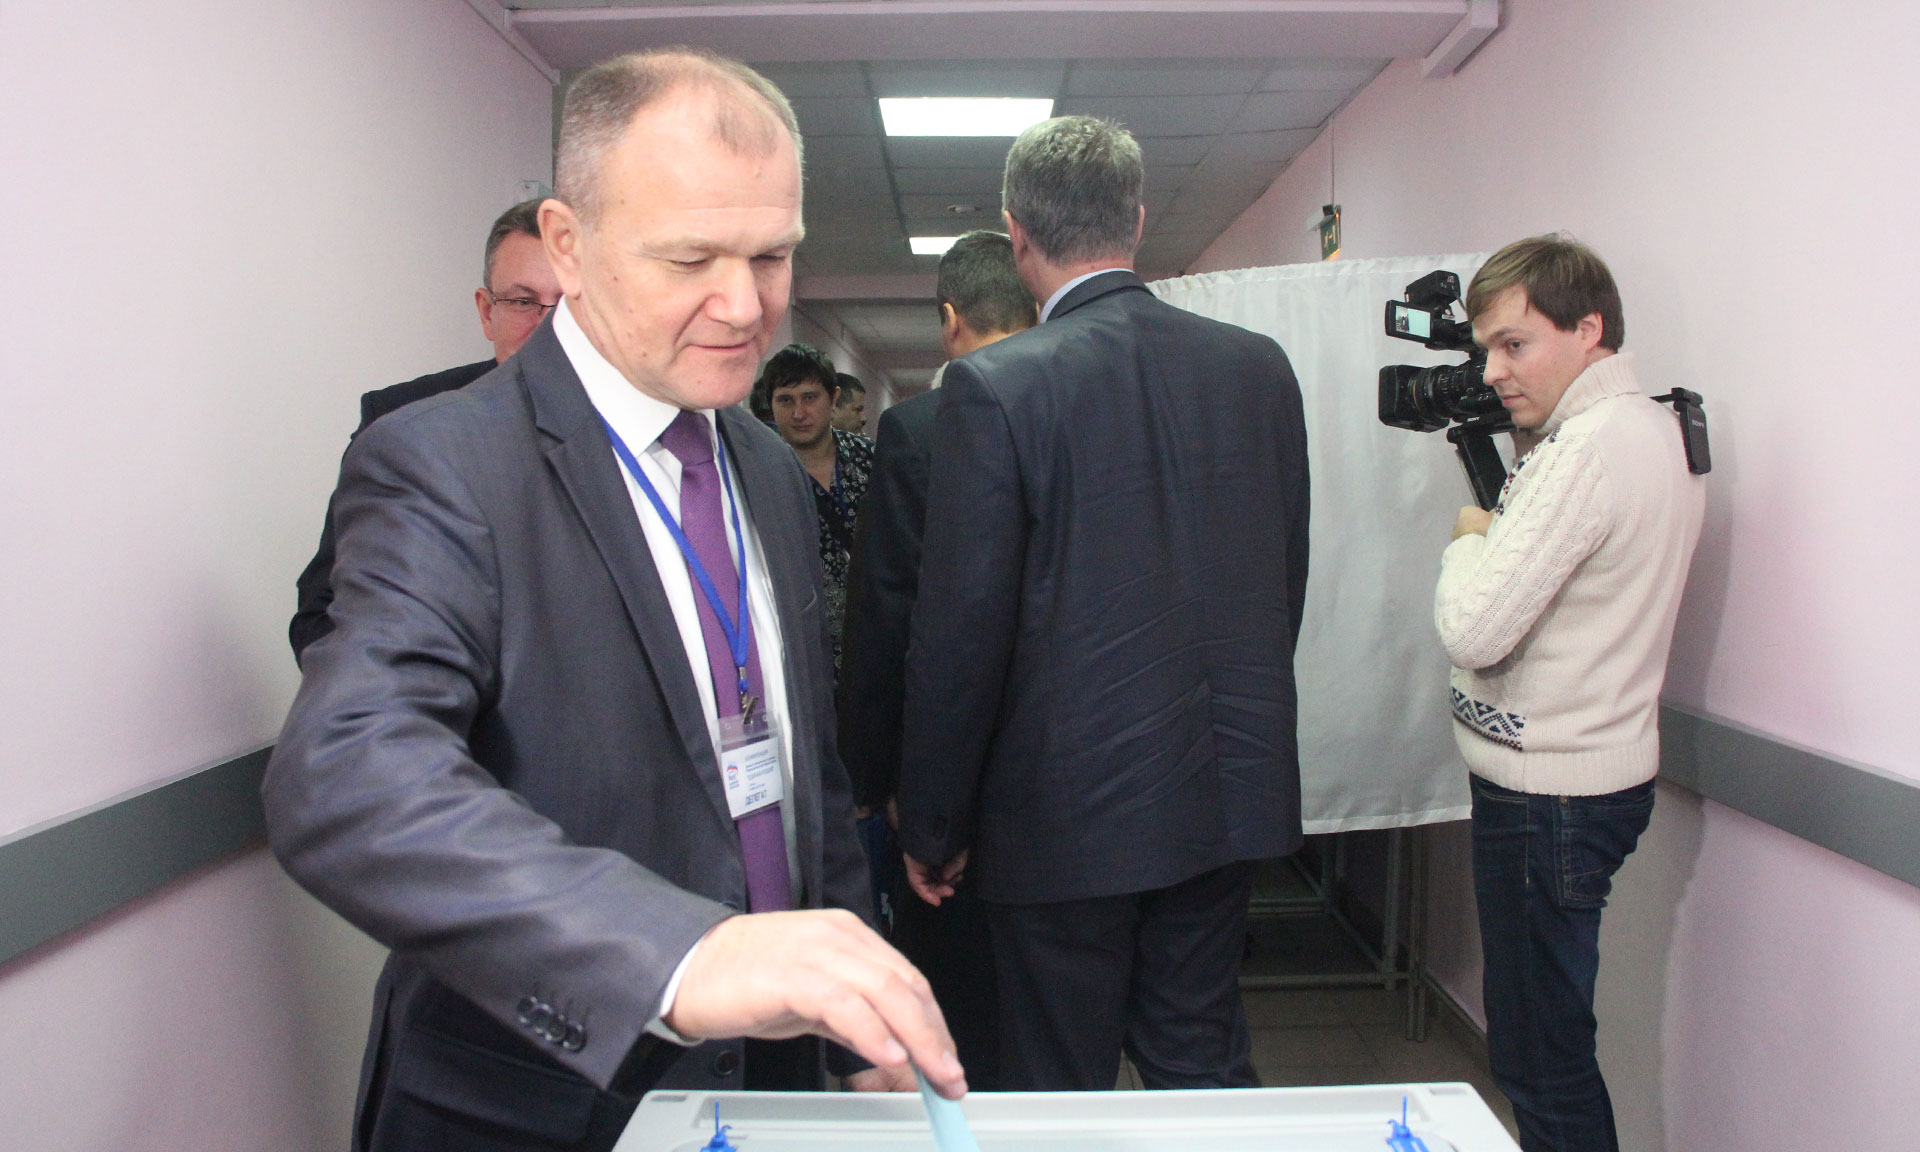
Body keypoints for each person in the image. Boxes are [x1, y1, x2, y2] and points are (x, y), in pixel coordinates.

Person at [262, 49, 963, 1152]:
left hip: (767, 1079)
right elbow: (346, 770)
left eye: (772, 254)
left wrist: (849, 1000)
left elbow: (798, 768)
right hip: (538, 1100)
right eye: (690, 258)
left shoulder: (763, 466)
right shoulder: (447, 462)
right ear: (569, 244)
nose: (746, 304)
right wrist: (679, 955)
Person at [895, 117, 1311, 1092]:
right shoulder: (1257, 369)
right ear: (1138, 219)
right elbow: (1281, 584)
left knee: (1059, 1081)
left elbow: (962, 636)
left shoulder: (997, 387)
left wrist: (934, 826)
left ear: (1016, 235)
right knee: (1199, 1058)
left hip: (1061, 819)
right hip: (1224, 791)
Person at [1435, 236, 1703, 1152]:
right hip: (1583, 782)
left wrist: (1469, 538)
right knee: (1549, 1048)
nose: (1492, 371)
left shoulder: (1588, 450)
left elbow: (1473, 630)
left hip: (1547, 798)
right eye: (1486, 349)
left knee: (1540, 1064)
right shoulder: (1646, 429)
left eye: (1515, 345)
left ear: (1589, 330)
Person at [837, 228, 1036, 1088]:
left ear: (951, 318)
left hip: (954, 769)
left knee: (959, 993)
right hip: (1071, 773)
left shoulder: (918, 428)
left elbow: (889, 613)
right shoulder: (1082, 407)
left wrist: (874, 776)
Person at [289, 199, 558, 661]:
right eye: (522, 302)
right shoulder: (401, 423)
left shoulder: (654, 435)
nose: (547, 326)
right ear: (486, 312)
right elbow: (324, 619)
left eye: (571, 303)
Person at [763, 343, 873, 669]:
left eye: (810, 397)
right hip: (801, 649)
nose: (799, 413)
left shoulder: (872, 459)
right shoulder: (760, 475)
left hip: (875, 639)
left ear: (833, 397)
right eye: (786, 400)